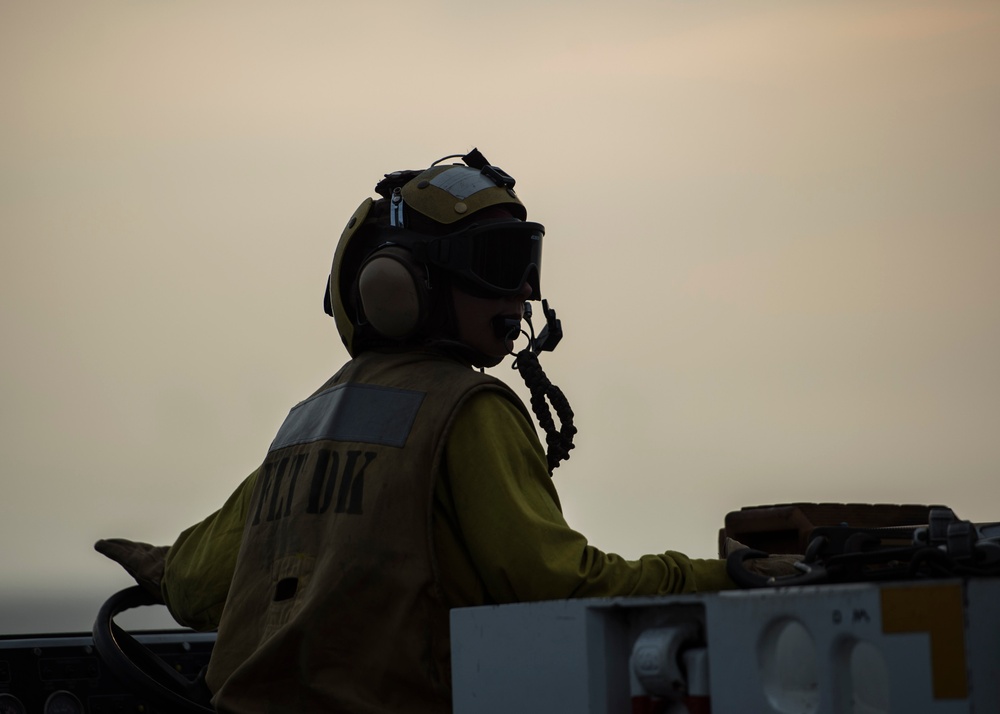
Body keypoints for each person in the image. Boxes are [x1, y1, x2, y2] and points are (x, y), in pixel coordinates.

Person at [96, 149, 794, 713]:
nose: (522, 292)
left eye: (528, 264)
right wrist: (728, 574)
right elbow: (557, 584)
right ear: (398, 286)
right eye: (497, 264)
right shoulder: (468, 410)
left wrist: (158, 565)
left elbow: (195, 584)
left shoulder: (304, 426)